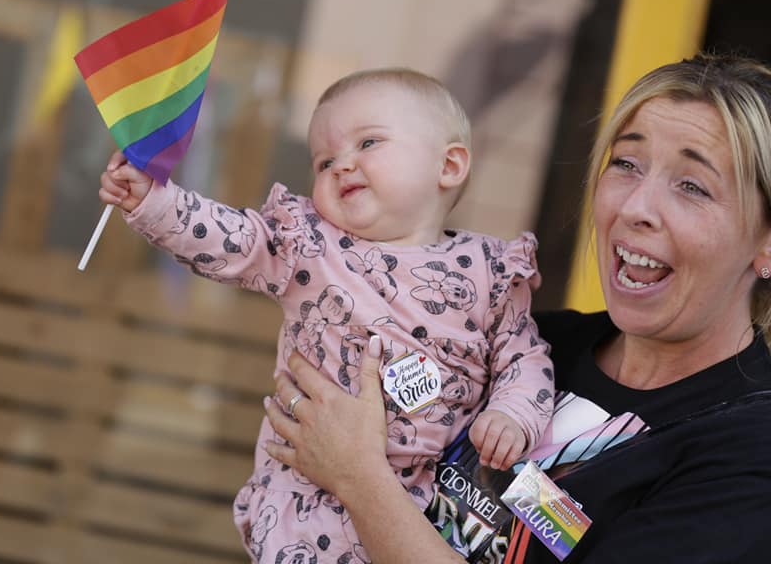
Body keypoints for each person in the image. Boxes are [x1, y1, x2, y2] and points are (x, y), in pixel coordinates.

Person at [265, 52, 771, 564]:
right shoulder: (532, 342)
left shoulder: (749, 453)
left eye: (692, 186)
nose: (636, 207)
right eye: (625, 164)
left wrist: (360, 478)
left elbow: (352, 464)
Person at [99, 68, 554, 563]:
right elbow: (232, 239)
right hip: (309, 509)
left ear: (448, 166)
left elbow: (524, 358)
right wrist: (154, 201)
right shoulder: (311, 247)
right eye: (324, 161)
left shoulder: (491, 271)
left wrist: (512, 415)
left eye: (369, 142)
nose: (341, 166)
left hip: (425, 518)